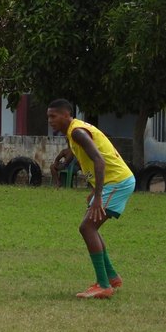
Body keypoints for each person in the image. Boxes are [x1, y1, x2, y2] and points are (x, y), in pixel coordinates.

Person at [47, 99, 135, 299]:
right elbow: (78, 154)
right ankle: (111, 276)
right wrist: (61, 163)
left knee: (87, 227)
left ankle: (104, 285)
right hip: (115, 182)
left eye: (54, 116)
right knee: (90, 227)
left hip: (117, 182)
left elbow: (99, 159)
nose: (50, 120)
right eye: (48, 117)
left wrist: (98, 194)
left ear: (67, 115)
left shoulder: (77, 132)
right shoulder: (73, 133)